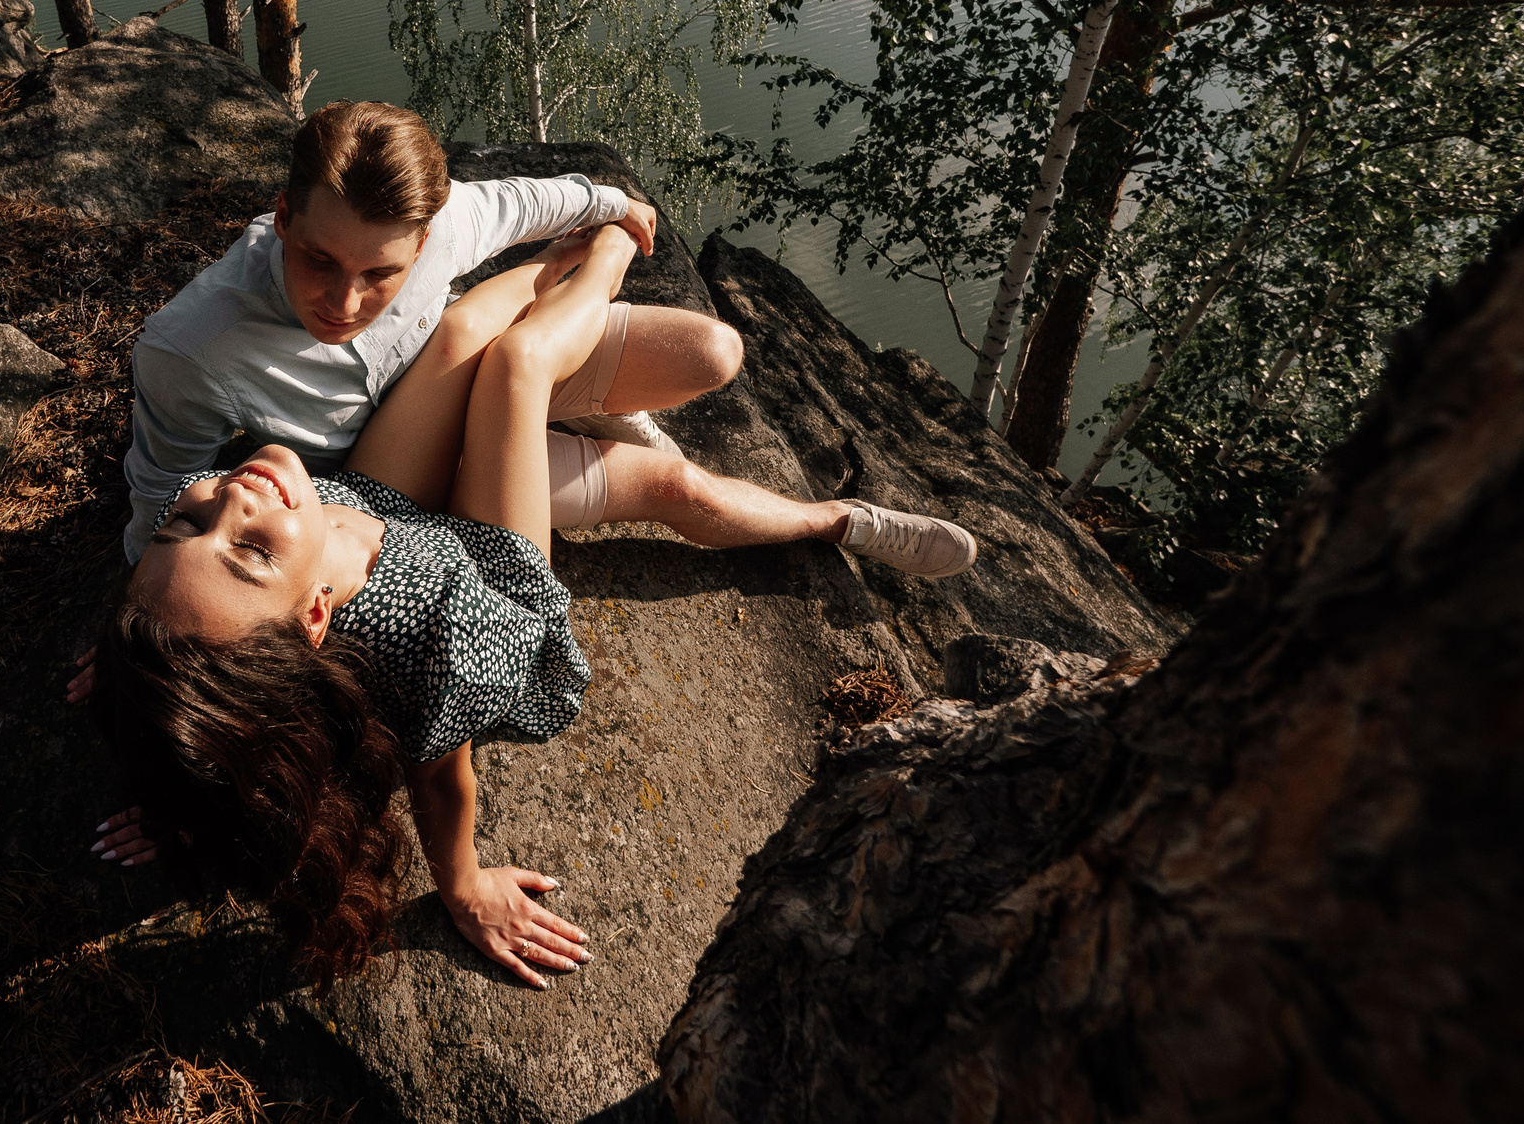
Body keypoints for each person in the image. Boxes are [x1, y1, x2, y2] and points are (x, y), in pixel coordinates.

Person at [76, 222, 978, 992]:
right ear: (314, 617)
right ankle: (831, 519)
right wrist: (463, 886)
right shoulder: (425, 637)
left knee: (471, 320)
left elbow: (195, 638)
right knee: (535, 374)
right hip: (483, 579)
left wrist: (149, 682)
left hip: (375, 510)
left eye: (186, 524)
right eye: (246, 549)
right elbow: (442, 778)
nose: (228, 496)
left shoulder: (224, 577)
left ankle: (576, 332)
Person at [121, 99, 967, 578]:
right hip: (424, 468)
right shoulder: (194, 347)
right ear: (281, 218)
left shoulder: (443, 226)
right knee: (675, 484)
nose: (343, 299)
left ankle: (588, 406)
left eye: (379, 274)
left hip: (487, 354)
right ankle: (839, 522)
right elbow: (160, 494)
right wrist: (141, 617)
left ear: (420, 243)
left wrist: (609, 201)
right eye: (316, 260)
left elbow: (524, 203)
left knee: (717, 353)